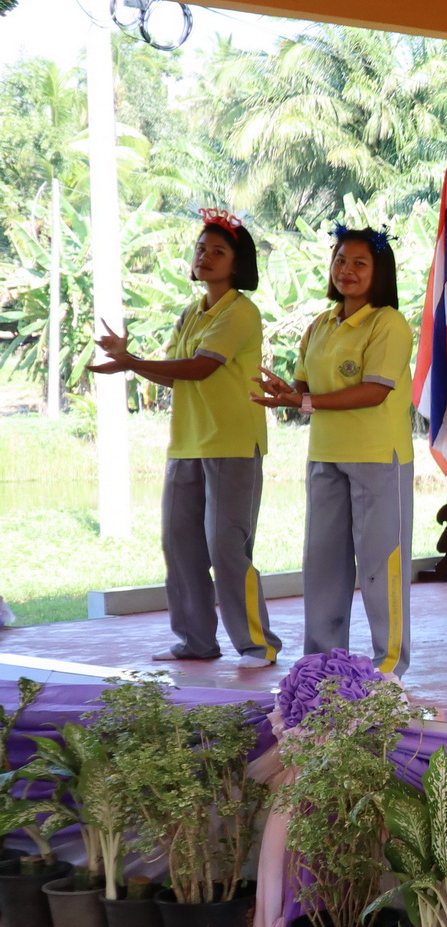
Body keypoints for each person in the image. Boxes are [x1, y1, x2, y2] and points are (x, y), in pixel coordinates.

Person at [88, 211, 280, 668]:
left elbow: (201, 367)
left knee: (226, 547)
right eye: (201, 249)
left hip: (232, 444)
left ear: (237, 264)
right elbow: (175, 375)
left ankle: (258, 646)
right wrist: (132, 362)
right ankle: (196, 641)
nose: (205, 257)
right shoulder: (191, 312)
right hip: (186, 445)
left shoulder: (241, 311)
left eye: (218, 251)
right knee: (180, 547)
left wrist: (131, 361)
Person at [255, 227, 415, 676]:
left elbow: (374, 391)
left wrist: (303, 400)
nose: (346, 270)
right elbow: (304, 385)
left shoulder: (388, 323)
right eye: (340, 260)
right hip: (325, 456)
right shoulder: (320, 325)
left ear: (379, 272)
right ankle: (321, 665)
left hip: (379, 458)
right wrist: (287, 393)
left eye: (360, 263)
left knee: (381, 566)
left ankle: (388, 667)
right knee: (323, 565)